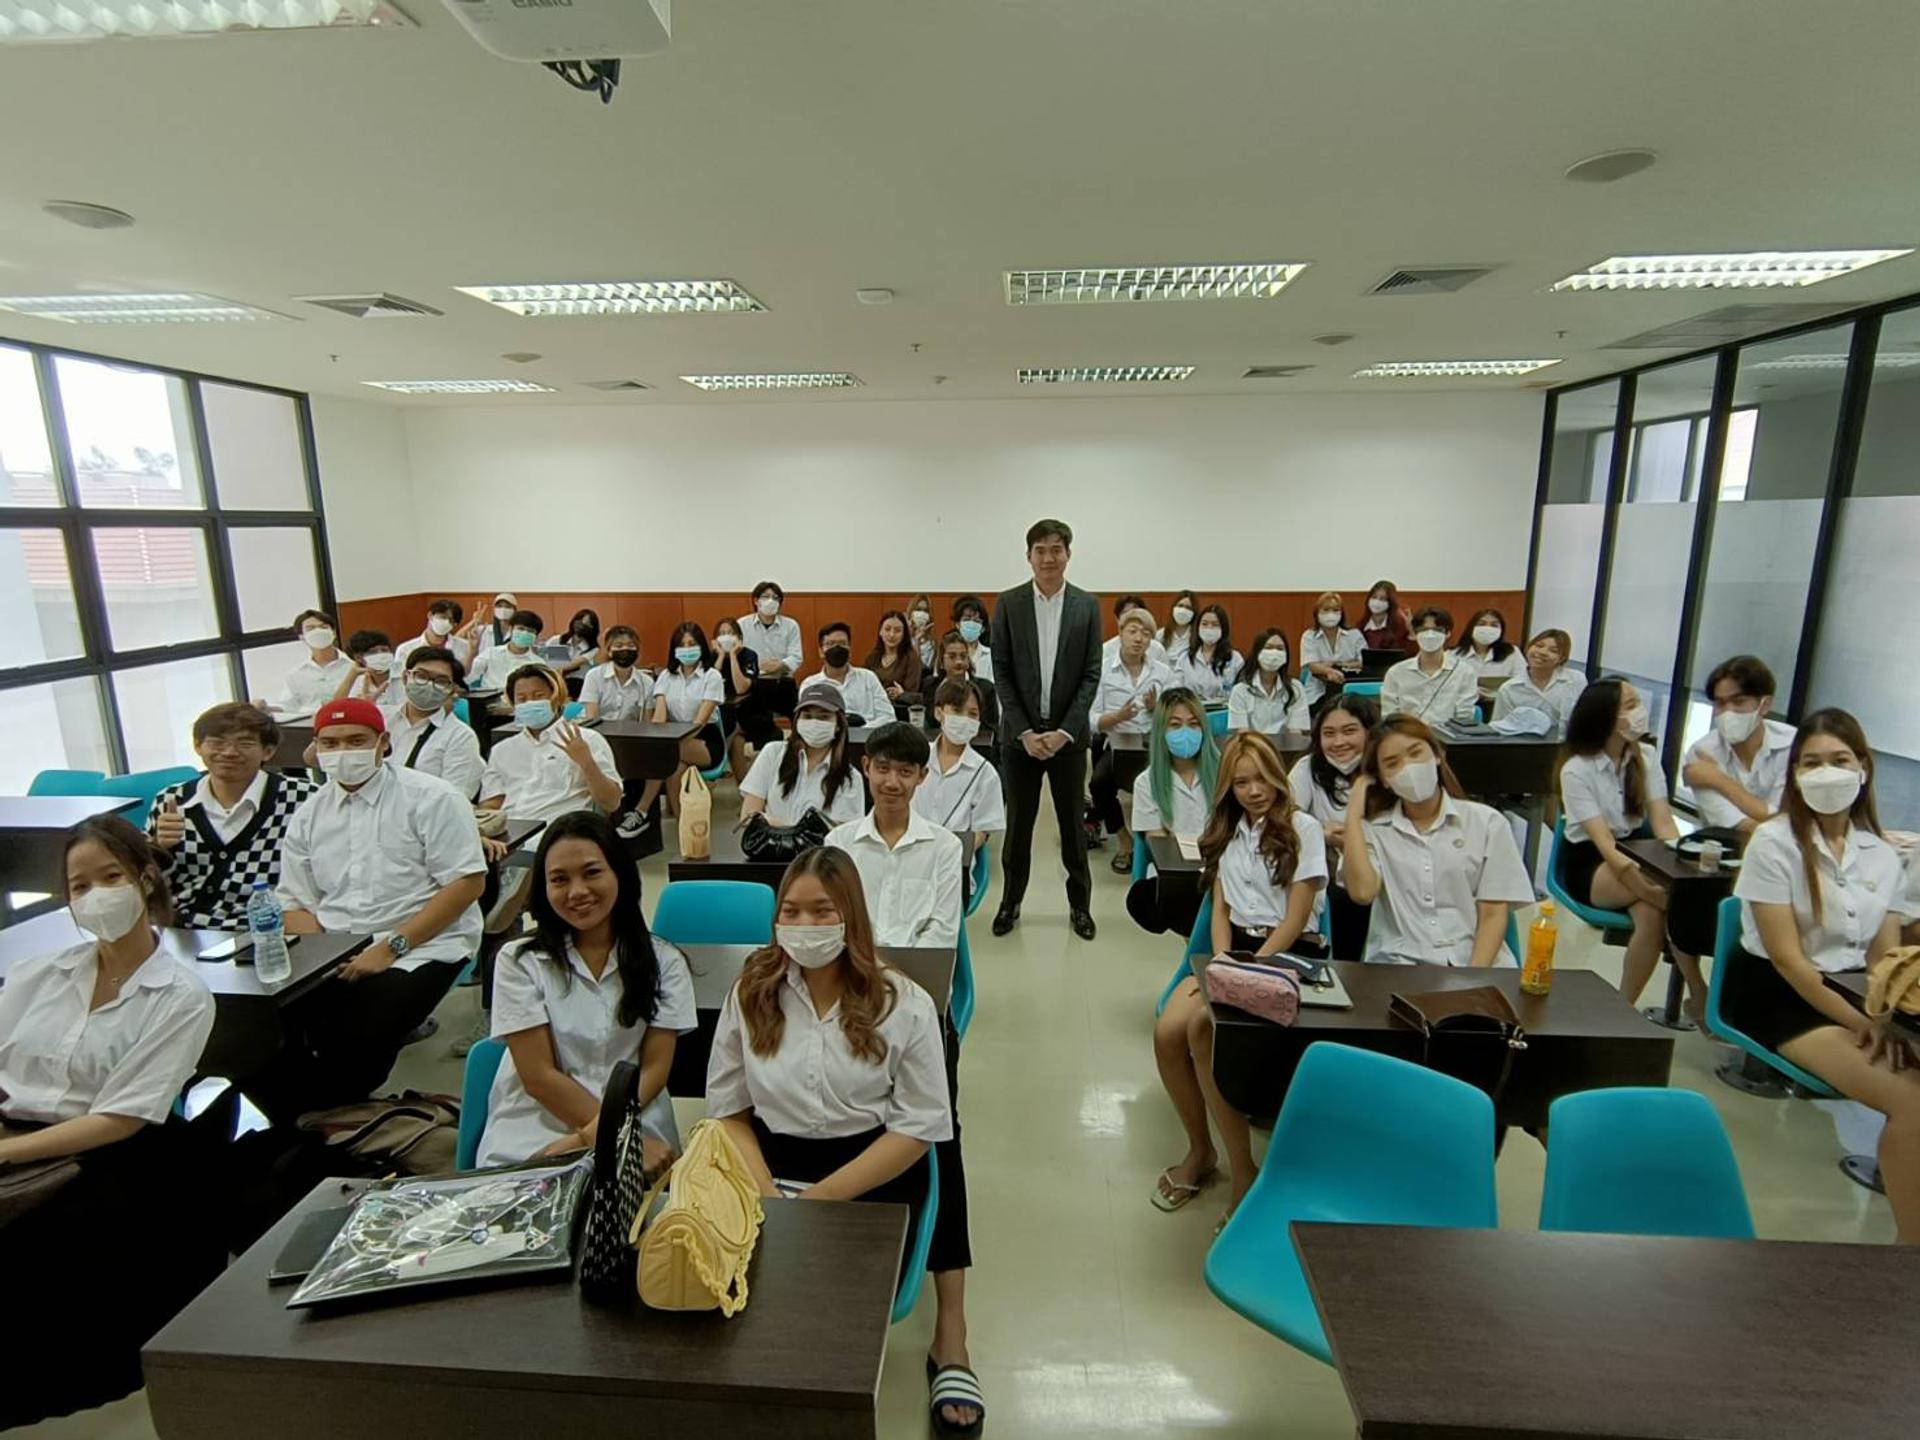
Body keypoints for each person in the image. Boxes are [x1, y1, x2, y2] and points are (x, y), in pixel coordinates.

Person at [705, 848, 963, 1429]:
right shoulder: (752, 990)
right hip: (766, 1168)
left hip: (872, 1172)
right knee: (732, 1316)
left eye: (821, 911)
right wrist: (769, 1193)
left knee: (830, 1326)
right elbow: (728, 1111)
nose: (804, 926)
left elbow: (918, 1127)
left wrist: (817, 1203)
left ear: (851, 916)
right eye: (790, 912)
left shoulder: (903, 1002)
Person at [0, 816, 221, 1427]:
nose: (94, 895)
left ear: (145, 880)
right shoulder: (35, 976)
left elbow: (119, 1119)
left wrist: (8, 1155)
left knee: (42, 1251)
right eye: (78, 886)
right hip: (14, 1133)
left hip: (115, 1155)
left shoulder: (178, 995)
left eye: (110, 877)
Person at [824, 726, 981, 1433]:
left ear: (923, 779)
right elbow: (820, 931)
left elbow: (936, 938)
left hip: (917, 1015)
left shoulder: (944, 846)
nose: (892, 781)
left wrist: (876, 991)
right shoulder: (836, 844)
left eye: (906, 771)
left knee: (940, 1143)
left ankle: (952, 1328)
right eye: (882, 767)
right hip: (839, 1008)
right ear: (866, 768)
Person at [1728, 709, 1920, 1242]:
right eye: (1812, 763)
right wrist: (1868, 1025)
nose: (1828, 774)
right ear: (1794, 775)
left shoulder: (1882, 854)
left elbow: (1885, 963)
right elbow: (1789, 962)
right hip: (1779, 995)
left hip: (1853, 992)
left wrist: (1886, 1015)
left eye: (1840, 760)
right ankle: (1910, 1253)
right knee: (1912, 1100)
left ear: (1863, 768)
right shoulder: (1773, 841)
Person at [268, 698, 488, 1116]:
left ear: (383, 743)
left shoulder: (431, 797)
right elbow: (295, 900)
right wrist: (319, 962)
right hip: (333, 948)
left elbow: (466, 883)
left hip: (420, 945)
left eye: (356, 740)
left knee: (359, 1032)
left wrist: (390, 949)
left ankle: (326, 1124)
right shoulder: (310, 812)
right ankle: (319, 1124)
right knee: (269, 1029)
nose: (344, 752)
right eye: (330, 743)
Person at [1153, 732, 1328, 1217]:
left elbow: (1296, 919)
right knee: (1168, 1030)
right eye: (1241, 782)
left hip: (1292, 954)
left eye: (1262, 779)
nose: (1254, 791)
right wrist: (1223, 964)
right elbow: (1221, 910)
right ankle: (1201, 1148)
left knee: (1203, 1028)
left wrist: (1248, 969)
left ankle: (1243, 1168)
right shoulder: (1227, 828)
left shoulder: (1303, 827)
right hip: (1237, 953)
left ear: (1278, 775)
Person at [476, 812, 697, 1169]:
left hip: (637, 1125)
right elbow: (539, 1077)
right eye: (559, 879)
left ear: (620, 874)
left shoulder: (664, 962)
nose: (577, 892)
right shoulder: (518, 961)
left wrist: (601, 1135)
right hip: (535, 1132)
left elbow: (655, 1068)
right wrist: (602, 1136)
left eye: (592, 873)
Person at [1557, 678, 1704, 1017]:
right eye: (1630, 706)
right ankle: (1698, 991)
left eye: (1638, 703)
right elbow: (1606, 846)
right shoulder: (1576, 769)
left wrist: (1678, 866)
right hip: (1590, 861)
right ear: (1605, 716)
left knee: (1653, 916)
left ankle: (1622, 1010)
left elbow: (1664, 825)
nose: (1640, 712)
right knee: (1667, 902)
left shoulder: (1646, 757)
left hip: (1638, 853)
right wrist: (1660, 892)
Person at [990, 518, 1104, 941]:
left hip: (1068, 741)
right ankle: (1010, 903)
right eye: (1041, 550)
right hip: (1020, 740)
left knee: (1073, 826)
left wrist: (1065, 731)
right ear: (1029, 556)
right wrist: (1023, 731)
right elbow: (1001, 671)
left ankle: (1080, 907)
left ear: (1068, 555)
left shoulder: (1087, 606)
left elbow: (1091, 674)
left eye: (1057, 549)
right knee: (1017, 826)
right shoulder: (1009, 603)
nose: (1049, 558)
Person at [1344, 715, 1533, 966]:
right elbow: (1362, 892)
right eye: (1392, 764)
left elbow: (1493, 915)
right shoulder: (1375, 830)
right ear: (1383, 781)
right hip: (1399, 965)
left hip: (1476, 963)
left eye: (1415, 753)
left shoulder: (1487, 822)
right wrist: (1354, 814)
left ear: (1437, 755)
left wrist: (1473, 983)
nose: (1408, 767)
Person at [147, 702, 321, 928]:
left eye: (245, 743)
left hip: (266, 928)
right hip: (182, 929)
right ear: (198, 747)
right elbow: (144, 882)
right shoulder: (171, 800)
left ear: (268, 751)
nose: (229, 752)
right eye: (216, 743)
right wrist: (159, 848)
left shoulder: (302, 798)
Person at [1288, 693, 1379, 959]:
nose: (1338, 742)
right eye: (1329, 733)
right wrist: (1321, 833)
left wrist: (1354, 839)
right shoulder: (1308, 768)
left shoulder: (1385, 770)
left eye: (1349, 731)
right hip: (1330, 873)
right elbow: (1284, 815)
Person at [1088, 606, 1177, 868]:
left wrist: (1156, 708)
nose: (1139, 638)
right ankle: (1123, 839)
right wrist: (1116, 718)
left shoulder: (1163, 672)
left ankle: (1156, 842)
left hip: (1154, 746)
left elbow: (1178, 715)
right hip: (1115, 744)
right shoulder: (1103, 671)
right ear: (1121, 633)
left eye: (1146, 633)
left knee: (1165, 786)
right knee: (1098, 784)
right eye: (1133, 631)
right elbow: (1091, 719)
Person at [480, 665, 624, 825]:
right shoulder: (502, 750)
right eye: (522, 699)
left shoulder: (586, 739)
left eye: (539, 696)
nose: (530, 703)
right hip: (510, 836)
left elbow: (611, 803)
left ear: (556, 697)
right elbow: (491, 804)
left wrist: (587, 763)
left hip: (562, 835)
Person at [1683, 655, 1791, 835]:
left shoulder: (1793, 745)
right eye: (1720, 703)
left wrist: (1718, 780)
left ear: (1765, 705)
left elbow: (1786, 823)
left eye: (1738, 701)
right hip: (1725, 848)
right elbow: (1738, 825)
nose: (1728, 711)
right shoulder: (1701, 752)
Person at [740, 682, 867, 825]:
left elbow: (843, 834)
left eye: (824, 717)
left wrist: (778, 826)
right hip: (770, 845)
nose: (814, 722)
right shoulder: (772, 753)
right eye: (807, 716)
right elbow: (748, 816)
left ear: (838, 724)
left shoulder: (850, 778)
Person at [915, 678, 1007, 856]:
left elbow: (982, 832)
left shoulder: (985, 774)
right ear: (938, 713)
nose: (964, 719)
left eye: (972, 714)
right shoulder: (917, 757)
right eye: (957, 711)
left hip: (955, 861)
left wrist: (954, 854)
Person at [384, 645, 485, 802]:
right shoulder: (381, 720)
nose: (430, 684)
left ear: (451, 690)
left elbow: (454, 800)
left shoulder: (460, 736)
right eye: (421, 676)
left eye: (441, 681)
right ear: (405, 677)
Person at [651, 623, 727, 815]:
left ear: (701, 646)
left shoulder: (712, 676)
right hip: (674, 738)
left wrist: (666, 744)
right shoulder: (666, 677)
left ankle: (642, 808)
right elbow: (659, 717)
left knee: (666, 753)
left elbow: (700, 721)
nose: (687, 649)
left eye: (691, 643)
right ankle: (683, 825)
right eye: (681, 645)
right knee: (674, 769)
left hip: (705, 739)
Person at [1131, 689, 1221, 841]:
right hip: (1173, 863)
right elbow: (1158, 842)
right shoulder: (1146, 782)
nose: (1185, 731)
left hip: (1221, 860)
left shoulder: (1223, 772)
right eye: (1175, 724)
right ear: (1161, 730)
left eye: (1193, 724)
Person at [1380, 605, 1479, 722]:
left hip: (1449, 737)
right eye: (1423, 630)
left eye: (1437, 630)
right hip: (1408, 736)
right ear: (1415, 633)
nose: (1430, 635)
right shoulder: (1396, 673)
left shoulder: (1464, 672)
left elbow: (1465, 717)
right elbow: (1390, 717)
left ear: (1448, 634)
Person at [738, 580, 803, 724]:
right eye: (766, 597)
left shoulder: (791, 625)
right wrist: (755, 666)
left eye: (775, 598)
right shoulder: (742, 625)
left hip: (783, 682)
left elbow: (797, 657)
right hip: (754, 684)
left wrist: (780, 665)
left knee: (797, 720)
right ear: (756, 601)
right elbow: (737, 656)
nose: (771, 601)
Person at [1492, 628, 1585, 726]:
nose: (1543, 652)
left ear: (1561, 658)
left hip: (1567, 740)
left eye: (1553, 650)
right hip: (1523, 740)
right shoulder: (1509, 689)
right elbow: (1499, 727)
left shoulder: (1575, 680)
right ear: (1529, 648)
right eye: (1539, 646)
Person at [1228, 627, 1310, 737]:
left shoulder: (1296, 688)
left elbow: (1296, 733)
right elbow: (1242, 734)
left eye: (1280, 648)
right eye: (1269, 647)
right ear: (1257, 653)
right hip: (1253, 748)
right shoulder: (1240, 690)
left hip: (1286, 749)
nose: (1274, 653)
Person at [810, 619, 894, 724]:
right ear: (821, 652)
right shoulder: (811, 685)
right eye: (831, 644)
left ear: (849, 650)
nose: (837, 648)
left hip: (867, 738)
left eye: (842, 643)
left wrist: (861, 732)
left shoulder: (868, 678)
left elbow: (888, 717)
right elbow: (808, 724)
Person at [275, 608, 354, 714]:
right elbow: (287, 707)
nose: (318, 632)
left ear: (333, 633)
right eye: (310, 628)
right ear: (302, 637)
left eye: (323, 627)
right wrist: (266, 708)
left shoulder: (354, 666)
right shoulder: (295, 674)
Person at [713, 615, 764, 779]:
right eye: (722, 633)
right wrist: (721, 656)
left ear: (739, 638)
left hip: (748, 710)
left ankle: (719, 759)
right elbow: (709, 685)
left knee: (735, 728)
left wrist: (733, 656)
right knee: (737, 740)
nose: (726, 636)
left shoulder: (749, 655)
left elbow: (741, 688)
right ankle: (744, 789)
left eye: (730, 632)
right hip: (718, 711)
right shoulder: (711, 656)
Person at [923, 628, 999, 730]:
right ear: (941, 661)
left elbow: (991, 731)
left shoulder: (985, 689)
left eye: (963, 656)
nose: (959, 662)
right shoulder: (930, 686)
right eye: (952, 656)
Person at [1300, 591, 1364, 708]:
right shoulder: (1309, 636)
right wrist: (1330, 671)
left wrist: (1338, 664)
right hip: (1318, 692)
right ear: (1317, 613)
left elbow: (1363, 662)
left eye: (1335, 610)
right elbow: (1313, 666)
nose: (1331, 614)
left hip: (1349, 690)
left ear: (1341, 614)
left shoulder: (1354, 635)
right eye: (1326, 610)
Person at [580, 624, 655, 722]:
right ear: (609, 651)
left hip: (632, 734)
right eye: (618, 646)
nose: (625, 649)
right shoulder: (594, 676)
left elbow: (647, 722)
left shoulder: (647, 682)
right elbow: (591, 718)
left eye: (631, 645)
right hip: (599, 734)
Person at [1175, 602, 1242, 703]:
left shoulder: (1235, 659)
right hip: (1191, 712)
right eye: (1204, 624)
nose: (1209, 628)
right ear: (1198, 627)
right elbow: (1176, 690)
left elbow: (1240, 693)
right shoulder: (1185, 658)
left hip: (1223, 713)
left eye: (1215, 625)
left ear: (1223, 629)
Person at [471, 608, 544, 690]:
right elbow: (468, 677)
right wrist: (471, 652)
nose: (525, 633)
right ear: (511, 629)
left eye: (530, 631)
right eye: (521, 628)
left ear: (536, 637)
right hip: (489, 699)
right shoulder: (490, 653)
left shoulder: (539, 664)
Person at [396, 597, 472, 671]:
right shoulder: (405, 649)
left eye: (451, 621)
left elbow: (467, 677)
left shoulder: (465, 647)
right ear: (430, 615)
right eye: (443, 617)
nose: (446, 623)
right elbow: (397, 681)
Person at [867, 609, 925, 704]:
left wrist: (901, 694)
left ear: (904, 634)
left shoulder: (911, 657)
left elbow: (913, 693)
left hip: (900, 709)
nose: (892, 635)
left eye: (897, 631)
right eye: (887, 629)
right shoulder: (873, 656)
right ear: (880, 632)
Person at [332, 628, 398, 707]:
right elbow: (336, 706)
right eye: (373, 652)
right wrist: (352, 674)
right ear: (359, 658)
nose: (381, 655)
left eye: (384, 650)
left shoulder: (405, 674)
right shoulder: (357, 681)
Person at [1456, 607, 1520, 688]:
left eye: (1494, 625)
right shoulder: (1453, 655)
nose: (1487, 628)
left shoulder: (1512, 652)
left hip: (1501, 699)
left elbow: (1522, 681)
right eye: (1481, 624)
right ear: (1471, 627)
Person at [1101, 593, 1169, 666]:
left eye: (1135, 612)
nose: (1130, 617)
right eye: (1125, 613)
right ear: (1117, 619)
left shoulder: (1157, 649)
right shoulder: (1106, 649)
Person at [1358, 579, 1412, 655]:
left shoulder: (1399, 624)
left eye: (1382, 599)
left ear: (1390, 602)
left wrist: (1411, 631)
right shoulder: (1361, 625)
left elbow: (1407, 653)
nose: (1377, 602)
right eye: (1374, 597)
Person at [545, 608, 603, 676]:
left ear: (593, 628)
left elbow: (572, 665)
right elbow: (543, 660)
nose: (581, 626)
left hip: (578, 683)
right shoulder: (556, 640)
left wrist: (555, 667)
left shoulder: (593, 649)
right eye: (579, 621)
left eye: (586, 624)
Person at [952, 595, 995, 682]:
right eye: (967, 619)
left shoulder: (991, 656)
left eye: (976, 621)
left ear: (983, 628)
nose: (971, 624)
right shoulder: (949, 654)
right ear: (957, 624)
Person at [1158, 588, 1199, 657]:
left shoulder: (1198, 636)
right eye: (1180, 606)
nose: (1183, 610)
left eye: (1188, 607)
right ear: (1173, 608)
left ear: (1194, 612)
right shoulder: (1160, 635)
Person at [908, 593, 939, 670]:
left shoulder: (933, 644)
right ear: (911, 613)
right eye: (918, 609)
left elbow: (923, 670)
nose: (922, 614)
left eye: (925, 611)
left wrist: (918, 641)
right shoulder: (904, 639)